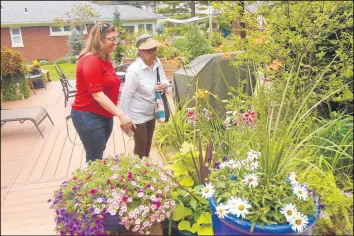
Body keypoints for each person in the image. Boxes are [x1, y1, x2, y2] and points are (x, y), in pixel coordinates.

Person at [71, 22, 135, 163]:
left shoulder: (105, 58)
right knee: (95, 159)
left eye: (116, 39)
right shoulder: (90, 60)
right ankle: (89, 184)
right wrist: (121, 114)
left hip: (104, 115)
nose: (115, 43)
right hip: (88, 116)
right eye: (112, 39)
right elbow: (97, 94)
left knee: (98, 153)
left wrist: (116, 113)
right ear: (99, 40)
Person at [120, 34, 170, 159]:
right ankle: (138, 171)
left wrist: (163, 85)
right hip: (137, 114)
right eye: (150, 50)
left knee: (148, 143)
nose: (154, 53)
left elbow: (165, 80)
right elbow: (126, 97)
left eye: (155, 49)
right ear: (141, 51)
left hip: (152, 112)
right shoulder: (134, 70)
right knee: (141, 144)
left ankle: (146, 168)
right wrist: (125, 118)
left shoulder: (157, 63)